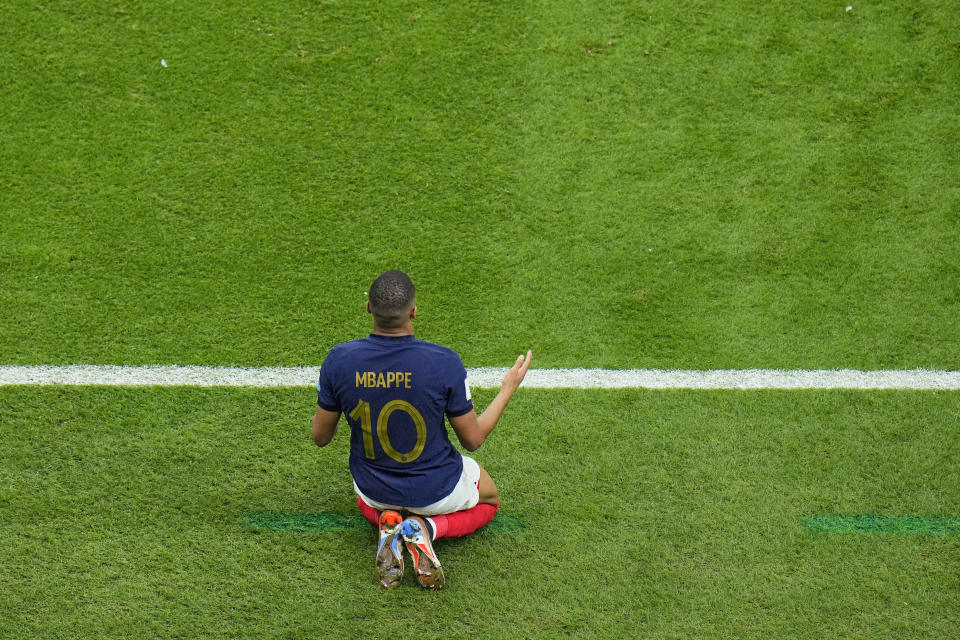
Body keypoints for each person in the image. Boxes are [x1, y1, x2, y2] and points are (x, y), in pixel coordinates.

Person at [311, 270, 532, 590]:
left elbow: (320, 437)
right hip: (437, 489)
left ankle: (389, 524)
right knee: (490, 499)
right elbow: (473, 439)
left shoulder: (338, 360)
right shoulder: (444, 362)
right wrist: (508, 388)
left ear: (369, 308)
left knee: (364, 495)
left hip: (373, 488)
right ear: (414, 311)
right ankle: (426, 528)